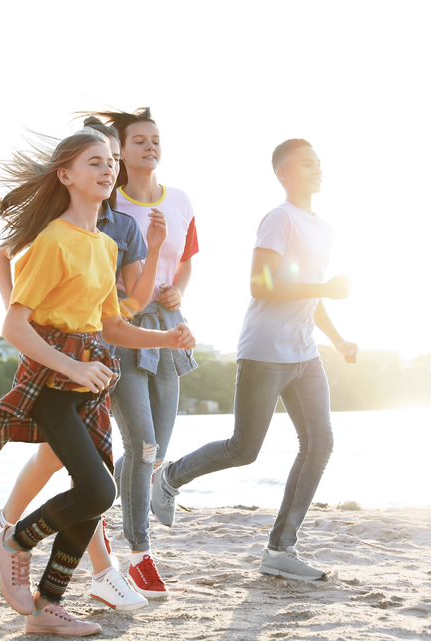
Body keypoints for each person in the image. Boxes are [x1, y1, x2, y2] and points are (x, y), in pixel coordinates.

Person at [0, 129, 195, 636]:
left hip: (87, 385)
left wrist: (169, 339)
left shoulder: (104, 246)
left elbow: (113, 326)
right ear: (66, 175)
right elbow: (14, 324)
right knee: (98, 488)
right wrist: (72, 367)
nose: (108, 169)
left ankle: (46, 609)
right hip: (52, 384)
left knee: (97, 494)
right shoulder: (53, 240)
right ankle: (14, 540)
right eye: (95, 162)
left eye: (111, 162)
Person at [151, 138, 358, 582]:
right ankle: (169, 477)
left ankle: (281, 549)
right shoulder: (279, 219)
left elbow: (312, 294)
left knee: (319, 443)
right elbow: (261, 286)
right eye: (307, 164)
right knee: (244, 449)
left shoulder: (324, 228)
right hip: (264, 350)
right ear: (284, 174)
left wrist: (338, 340)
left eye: (319, 162)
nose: (317, 169)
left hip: (305, 353)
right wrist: (323, 289)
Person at [90, 107, 199, 599]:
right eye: (139, 141)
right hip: (123, 330)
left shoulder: (180, 201)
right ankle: (140, 552)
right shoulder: (109, 205)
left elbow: (185, 263)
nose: (150, 146)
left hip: (170, 329)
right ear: (120, 151)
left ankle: (105, 514)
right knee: (143, 445)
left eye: (155, 139)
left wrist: (177, 290)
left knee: (155, 452)